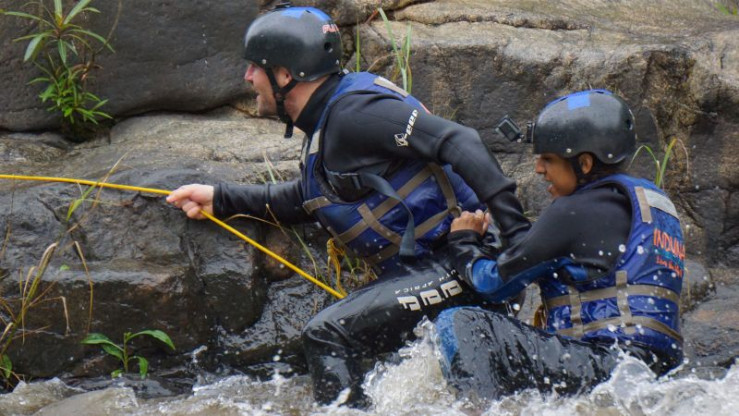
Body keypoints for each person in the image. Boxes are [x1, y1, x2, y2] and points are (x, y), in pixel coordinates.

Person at [166, 4, 530, 406]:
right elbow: (308, 199)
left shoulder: (354, 114)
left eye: (255, 67)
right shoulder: (330, 120)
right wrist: (220, 199)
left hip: (470, 260)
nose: (247, 77)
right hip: (437, 267)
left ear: (285, 75)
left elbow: (460, 140)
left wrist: (517, 240)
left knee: (327, 335)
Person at [435, 89, 685, 401]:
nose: (539, 169)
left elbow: (494, 284)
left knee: (461, 323)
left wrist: (464, 242)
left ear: (585, 163)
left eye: (548, 159)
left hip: (607, 364)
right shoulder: (654, 204)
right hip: (657, 371)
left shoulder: (576, 210)